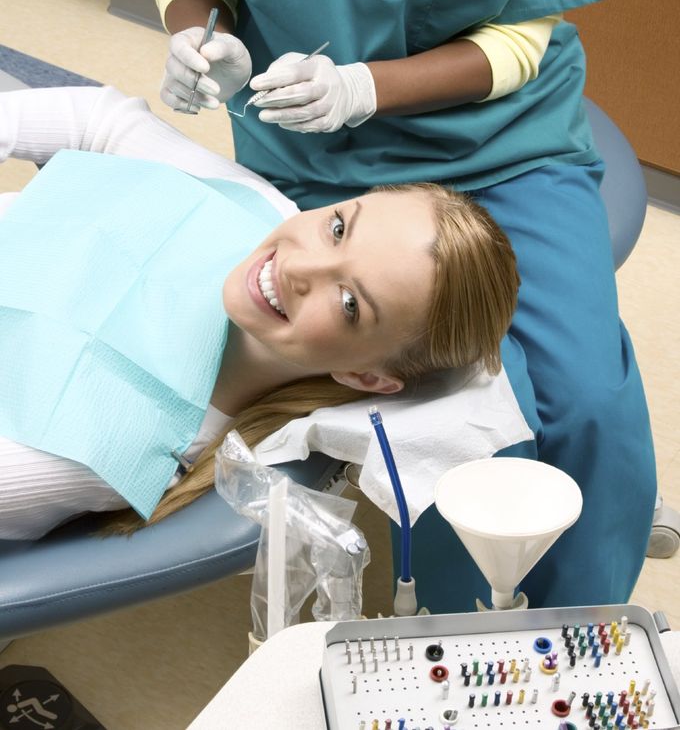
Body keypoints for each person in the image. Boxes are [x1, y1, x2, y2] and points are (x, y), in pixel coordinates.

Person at [94, 0, 656, 607]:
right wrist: (201, 38)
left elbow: (523, 34)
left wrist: (367, 87)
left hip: (502, 142)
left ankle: (579, 633)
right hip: (327, 173)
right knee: (458, 414)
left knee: (586, 398)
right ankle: (444, 639)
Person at [0, 84, 518, 541]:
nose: (301, 264)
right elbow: (101, 120)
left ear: (366, 374)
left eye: (349, 303)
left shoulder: (105, 448)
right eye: (338, 228)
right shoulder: (253, 208)